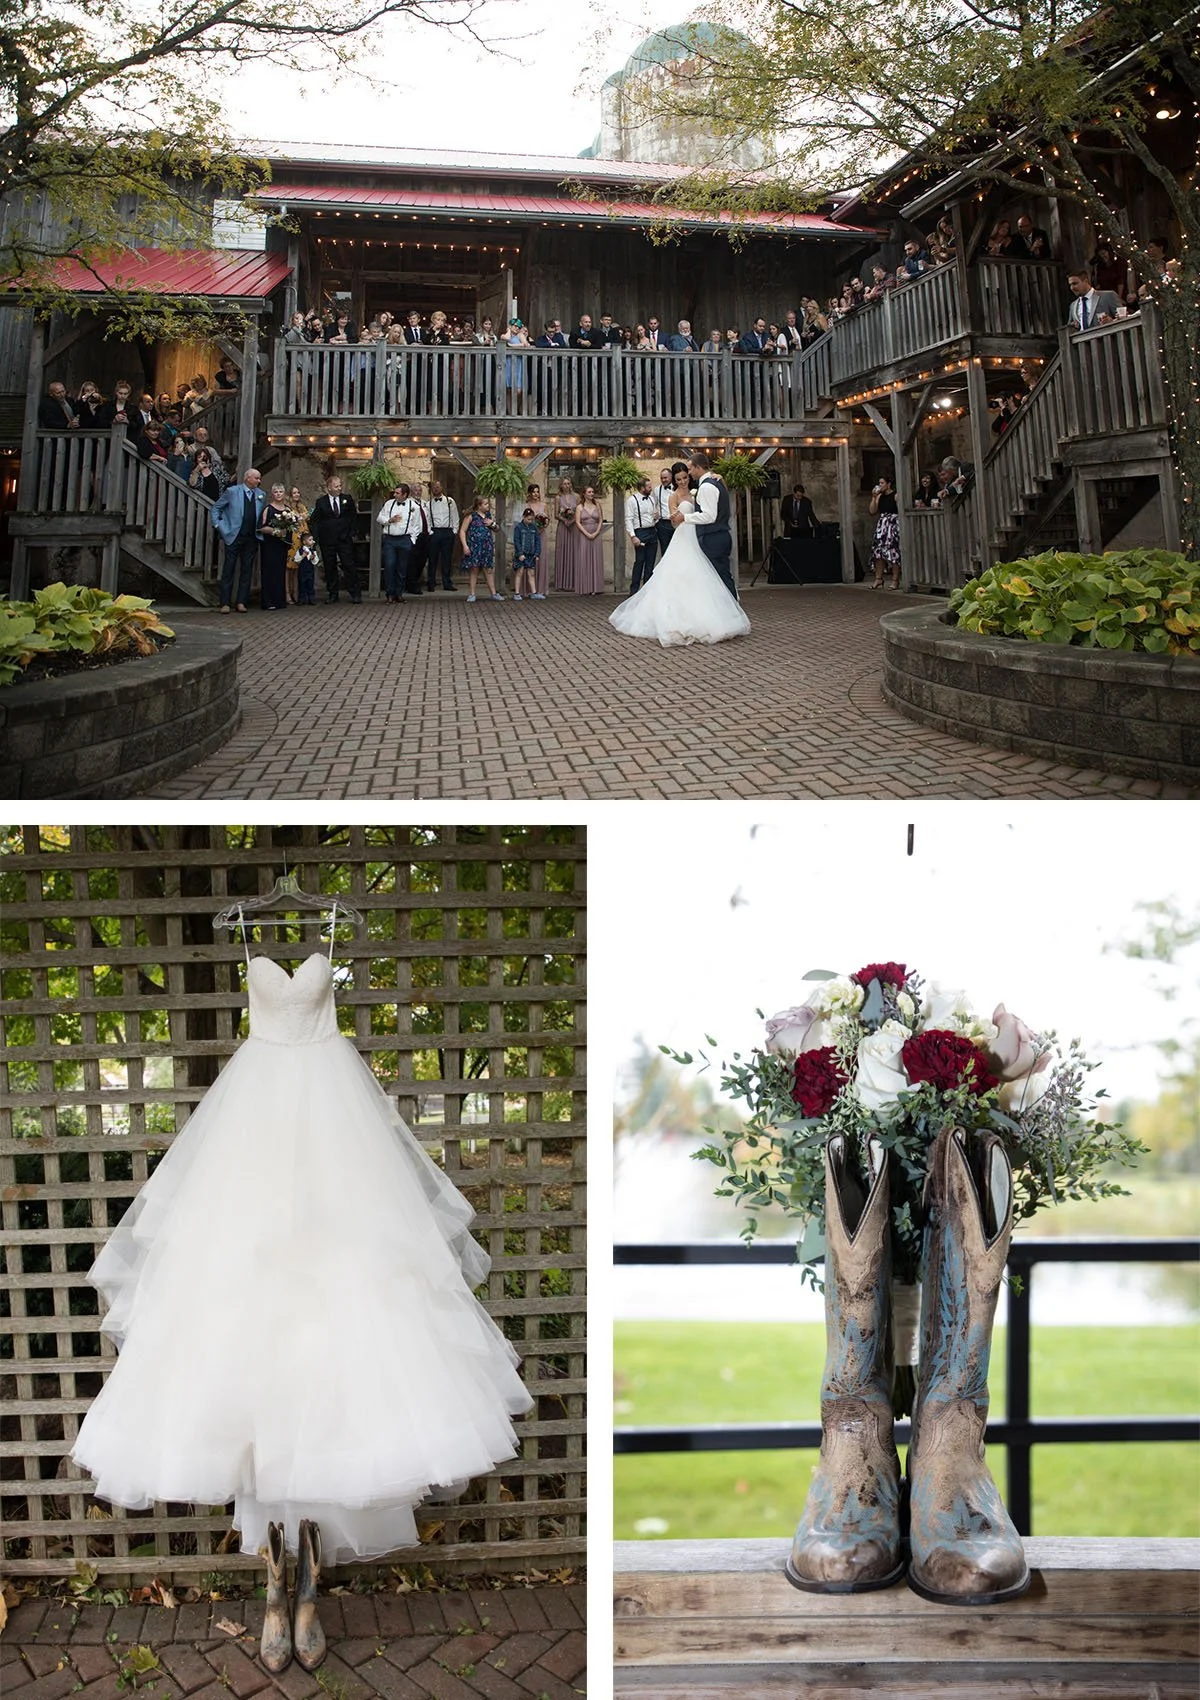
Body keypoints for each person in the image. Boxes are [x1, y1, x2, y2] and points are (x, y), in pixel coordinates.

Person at [610, 461, 750, 647]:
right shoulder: (673, 496)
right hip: (684, 535)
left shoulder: (700, 487)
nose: (683, 481)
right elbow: (674, 523)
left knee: (706, 575)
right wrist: (677, 518)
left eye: (685, 477)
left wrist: (718, 476)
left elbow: (708, 507)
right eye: (679, 479)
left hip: (701, 535)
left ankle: (718, 611)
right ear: (675, 481)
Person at [680, 449, 739, 600]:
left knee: (719, 577)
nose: (689, 473)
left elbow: (709, 516)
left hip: (713, 538)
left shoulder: (707, 487)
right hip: (720, 536)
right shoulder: (716, 483)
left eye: (690, 469)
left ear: (698, 467)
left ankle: (731, 609)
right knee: (721, 576)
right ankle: (729, 609)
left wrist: (684, 517)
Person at [211, 467, 266, 613]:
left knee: (247, 571)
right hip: (233, 536)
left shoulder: (261, 495)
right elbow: (216, 508)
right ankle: (225, 603)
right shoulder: (232, 492)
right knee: (228, 569)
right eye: (257, 478)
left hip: (251, 538)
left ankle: (242, 602)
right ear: (248, 478)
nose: (259, 481)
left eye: (259, 478)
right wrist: (219, 525)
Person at [309, 475, 362, 603]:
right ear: (329, 488)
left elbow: (353, 517)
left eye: (340, 486)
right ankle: (333, 594)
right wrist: (315, 538)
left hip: (344, 539)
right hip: (327, 540)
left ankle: (355, 593)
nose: (339, 488)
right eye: (336, 486)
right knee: (330, 567)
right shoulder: (321, 502)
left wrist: (352, 533)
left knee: (349, 565)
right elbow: (315, 521)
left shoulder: (347, 499)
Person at [376, 482, 422, 603]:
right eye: (395, 492)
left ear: (405, 495)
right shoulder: (388, 504)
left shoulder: (414, 506)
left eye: (397, 493)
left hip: (405, 540)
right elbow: (379, 518)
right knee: (389, 566)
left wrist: (412, 540)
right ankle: (390, 594)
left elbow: (417, 525)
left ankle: (399, 593)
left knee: (402, 568)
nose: (394, 495)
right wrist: (389, 520)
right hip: (390, 539)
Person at [458, 495, 502, 602]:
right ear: (479, 505)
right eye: (486, 504)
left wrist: (492, 524)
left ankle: (494, 593)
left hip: (486, 547)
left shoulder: (488, 516)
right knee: (474, 569)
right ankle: (472, 594)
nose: (488, 506)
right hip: (474, 546)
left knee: (488, 570)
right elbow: (462, 531)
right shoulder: (471, 516)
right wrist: (465, 546)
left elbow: (497, 529)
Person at [257, 483, 292, 611]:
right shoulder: (268, 509)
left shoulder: (288, 510)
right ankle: (269, 601)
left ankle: (280, 600)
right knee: (269, 571)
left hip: (282, 545)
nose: (278, 494)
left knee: (280, 571)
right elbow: (261, 526)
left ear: (284, 494)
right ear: (272, 494)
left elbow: (291, 526)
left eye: (280, 491)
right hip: (270, 544)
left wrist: (286, 534)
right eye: (276, 492)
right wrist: (275, 531)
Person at [624, 475, 659, 593]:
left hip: (652, 531)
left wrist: (656, 517)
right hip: (640, 532)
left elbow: (653, 516)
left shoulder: (651, 499)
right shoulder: (632, 500)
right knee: (639, 561)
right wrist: (633, 536)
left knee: (650, 563)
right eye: (649, 487)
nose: (651, 488)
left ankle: (647, 592)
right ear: (642, 488)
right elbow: (628, 519)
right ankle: (634, 591)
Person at [425, 481, 460, 591]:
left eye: (438, 487)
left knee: (447, 559)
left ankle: (447, 583)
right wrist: (430, 531)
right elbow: (428, 519)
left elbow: (455, 516)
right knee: (432, 559)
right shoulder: (428, 503)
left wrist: (454, 531)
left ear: (441, 488)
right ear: (431, 490)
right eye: (434, 487)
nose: (436, 489)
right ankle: (431, 583)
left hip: (447, 532)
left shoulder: (450, 501)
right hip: (435, 532)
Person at [868, 475, 901, 589]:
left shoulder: (895, 495)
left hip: (892, 524)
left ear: (888, 484)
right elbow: (872, 511)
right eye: (879, 483)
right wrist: (874, 497)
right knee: (878, 552)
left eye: (882, 483)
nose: (880, 485)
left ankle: (895, 580)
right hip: (882, 525)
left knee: (893, 552)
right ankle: (878, 578)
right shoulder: (879, 496)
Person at [574, 486, 605, 595]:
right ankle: (585, 587)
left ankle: (596, 587)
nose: (592, 493)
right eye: (589, 492)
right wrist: (586, 533)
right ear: (584, 494)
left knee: (596, 558)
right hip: (584, 534)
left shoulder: (597, 505)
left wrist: (596, 532)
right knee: (584, 558)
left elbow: (601, 520)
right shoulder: (579, 507)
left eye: (593, 492)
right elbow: (577, 522)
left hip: (596, 533)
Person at [525, 482, 550, 597]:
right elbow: (524, 520)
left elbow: (547, 520)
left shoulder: (544, 505)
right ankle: (529, 589)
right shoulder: (527, 505)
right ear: (529, 493)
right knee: (530, 559)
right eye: (533, 492)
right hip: (530, 534)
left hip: (541, 534)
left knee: (541, 558)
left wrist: (542, 526)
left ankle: (540, 588)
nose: (536, 494)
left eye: (537, 491)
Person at [553, 476, 578, 591]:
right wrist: (565, 520)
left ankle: (573, 582)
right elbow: (556, 514)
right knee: (562, 552)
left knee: (573, 552)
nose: (567, 486)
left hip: (573, 527)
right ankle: (561, 583)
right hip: (563, 527)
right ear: (561, 485)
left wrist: (572, 520)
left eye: (568, 483)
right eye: (564, 484)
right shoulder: (558, 498)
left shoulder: (576, 497)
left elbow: (578, 512)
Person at [512, 506, 541, 600]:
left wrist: (537, 553)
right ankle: (517, 593)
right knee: (519, 572)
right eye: (528, 519)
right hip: (521, 554)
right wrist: (520, 553)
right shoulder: (518, 527)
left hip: (531, 554)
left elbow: (538, 540)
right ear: (523, 517)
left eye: (531, 519)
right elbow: (516, 541)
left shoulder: (534, 527)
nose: (530, 521)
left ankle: (534, 592)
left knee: (531, 573)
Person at [653, 465, 675, 562]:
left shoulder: (677, 488)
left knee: (677, 550)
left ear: (671, 477)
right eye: (661, 478)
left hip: (676, 524)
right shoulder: (657, 490)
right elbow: (653, 504)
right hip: (663, 525)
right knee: (664, 551)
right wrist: (655, 514)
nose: (663, 480)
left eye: (665, 478)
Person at [293, 532, 320, 605]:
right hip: (302, 571)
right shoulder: (300, 551)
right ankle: (302, 599)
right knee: (302, 585)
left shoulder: (313, 551)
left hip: (310, 571)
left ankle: (311, 598)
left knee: (310, 585)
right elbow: (296, 560)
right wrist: (302, 556)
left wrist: (313, 558)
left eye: (312, 540)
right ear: (304, 542)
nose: (312, 541)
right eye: (310, 540)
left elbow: (316, 561)